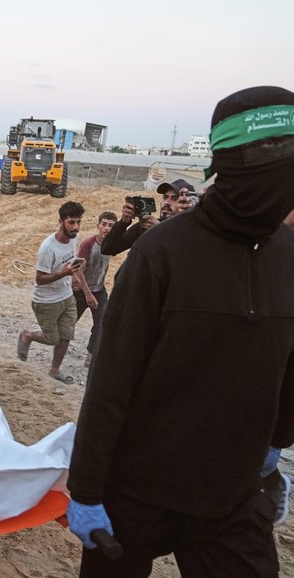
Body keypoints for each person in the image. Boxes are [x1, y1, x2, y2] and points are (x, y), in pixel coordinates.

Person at [67, 86, 294, 576]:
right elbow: (111, 380)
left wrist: (276, 447)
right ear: (234, 162)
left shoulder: (290, 256)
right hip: (135, 490)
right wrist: (86, 490)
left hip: (231, 497)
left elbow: (288, 362)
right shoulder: (163, 252)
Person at [17, 201, 89, 384]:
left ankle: (55, 370)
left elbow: (71, 262)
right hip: (46, 300)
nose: (75, 227)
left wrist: (77, 274)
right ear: (61, 221)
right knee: (52, 338)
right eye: (71, 222)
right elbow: (40, 279)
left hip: (67, 296)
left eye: (78, 222)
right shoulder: (48, 247)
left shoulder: (74, 238)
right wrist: (64, 273)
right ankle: (28, 335)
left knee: (66, 336)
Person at [101, 178, 194, 256]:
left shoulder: (192, 233)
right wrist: (123, 223)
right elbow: (108, 249)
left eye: (175, 198)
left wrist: (160, 231)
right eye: (165, 197)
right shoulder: (147, 225)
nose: (166, 202)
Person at [72, 211, 117, 367]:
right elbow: (78, 269)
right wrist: (87, 294)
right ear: (98, 226)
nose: (106, 228)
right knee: (67, 324)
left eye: (111, 226)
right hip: (80, 291)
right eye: (104, 224)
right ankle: (31, 336)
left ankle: (91, 357)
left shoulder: (111, 245)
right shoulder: (88, 244)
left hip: (99, 290)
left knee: (102, 322)